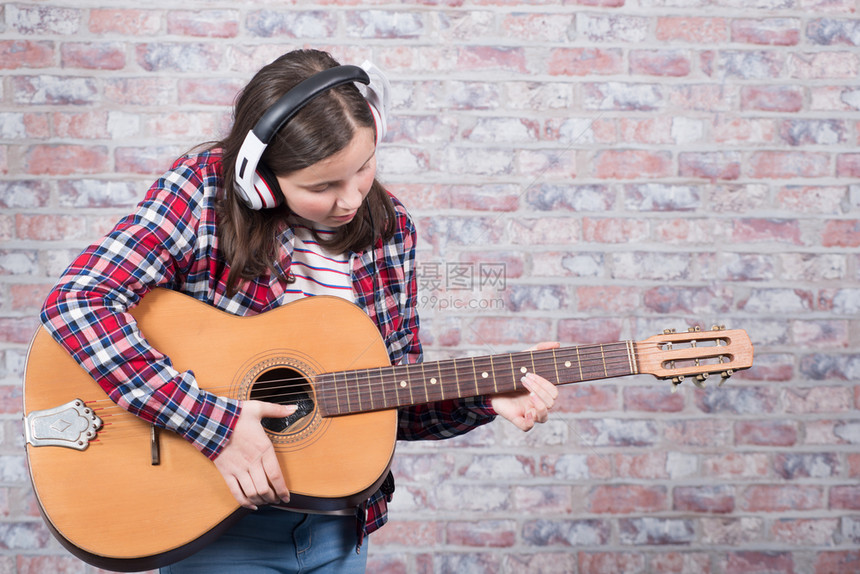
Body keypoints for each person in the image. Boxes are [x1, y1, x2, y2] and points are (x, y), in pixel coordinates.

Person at [39, 49, 559, 574]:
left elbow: (388, 396)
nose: (351, 197)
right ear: (261, 180)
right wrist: (214, 425)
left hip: (339, 527)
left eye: (363, 167)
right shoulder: (202, 193)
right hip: (216, 524)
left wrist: (481, 396)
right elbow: (78, 301)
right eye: (321, 186)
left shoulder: (390, 228)